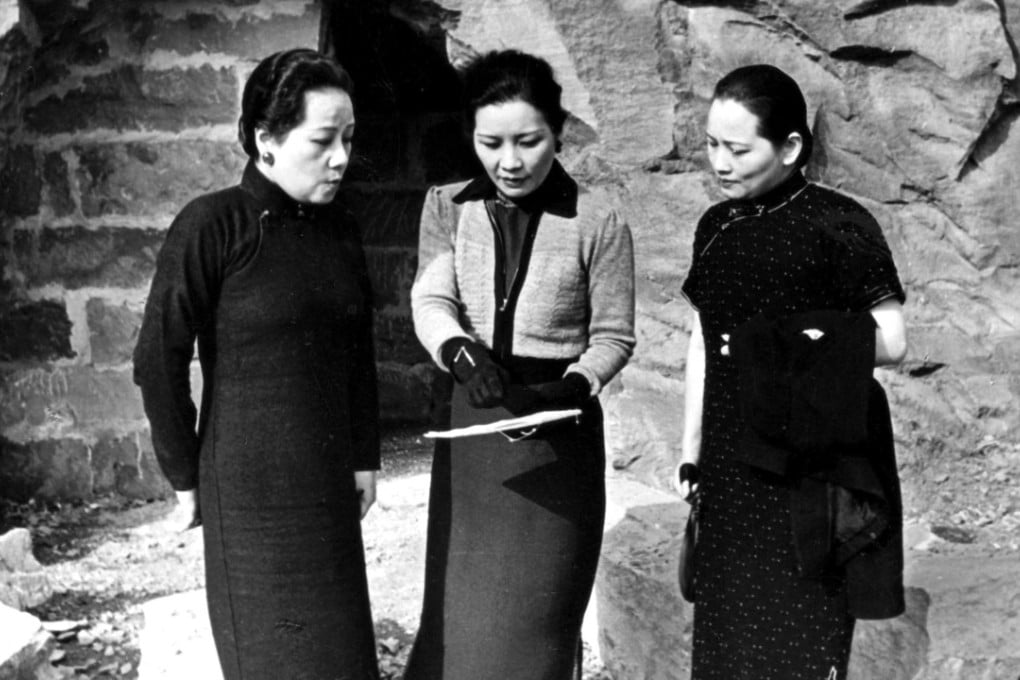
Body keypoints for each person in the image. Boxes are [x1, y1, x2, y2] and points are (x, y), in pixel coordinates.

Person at [133, 48, 380, 680]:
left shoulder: (341, 230)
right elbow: (158, 356)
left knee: (344, 662)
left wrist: (363, 457)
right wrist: (185, 475)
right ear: (265, 139)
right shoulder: (214, 225)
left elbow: (357, 352)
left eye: (349, 139)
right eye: (323, 140)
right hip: (249, 498)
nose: (341, 158)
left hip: (326, 487)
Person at [405, 49, 636, 680]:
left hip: (559, 442)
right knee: (463, 614)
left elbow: (615, 336)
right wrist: (461, 352)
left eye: (529, 141)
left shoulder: (600, 220)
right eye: (491, 142)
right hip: (473, 427)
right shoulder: (445, 205)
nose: (511, 161)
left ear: (557, 132)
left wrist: (569, 388)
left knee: (535, 626)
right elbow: (431, 297)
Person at [676, 64, 909, 679]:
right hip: (729, 471)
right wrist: (690, 451)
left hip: (809, 473)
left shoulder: (840, 225)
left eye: (737, 148)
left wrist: (780, 343)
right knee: (728, 647)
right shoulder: (716, 226)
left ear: (790, 148)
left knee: (803, 645)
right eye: (711, 145)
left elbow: (891, 341)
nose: (719, 163)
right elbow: (702, 341)